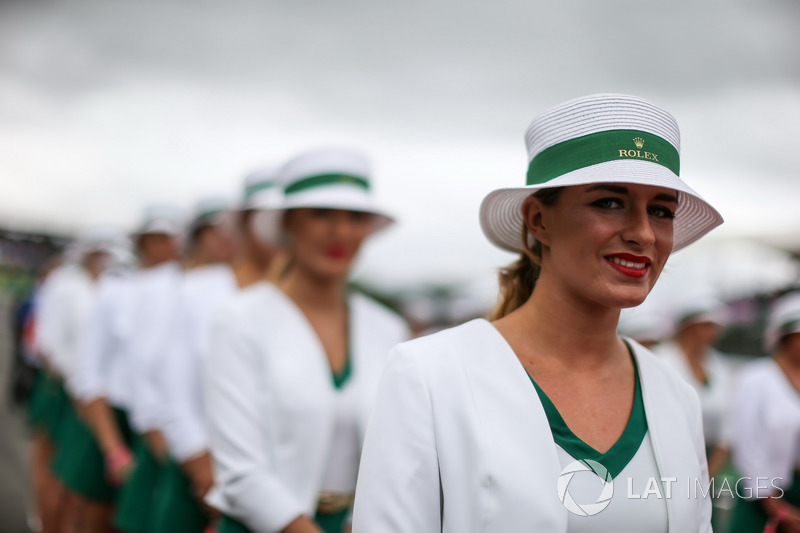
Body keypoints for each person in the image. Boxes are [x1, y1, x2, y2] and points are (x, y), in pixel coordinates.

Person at [352, 94, 723, 532]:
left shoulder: (675, 397)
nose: (643, 233)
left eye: (661, 211)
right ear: (538, 220)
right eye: (609, 202)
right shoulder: (429, 376)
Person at [204, 148, 410, 533]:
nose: (341, 233)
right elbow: (240, 472)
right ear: (288, 225)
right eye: (321, 215)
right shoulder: (239, 321)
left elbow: (394, 453)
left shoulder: (387, 328)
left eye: (356, 217)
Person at [111, 205, 184, 533]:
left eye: (167, 239)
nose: (162, 247)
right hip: (128, 411)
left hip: (162, 421)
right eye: (154, 239)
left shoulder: (183, 286)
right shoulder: (120, 287)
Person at [729, 291, 800, 533]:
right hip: (762, 497)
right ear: (784, 336)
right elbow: (748, 448)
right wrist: (776, 508)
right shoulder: (756, 379)